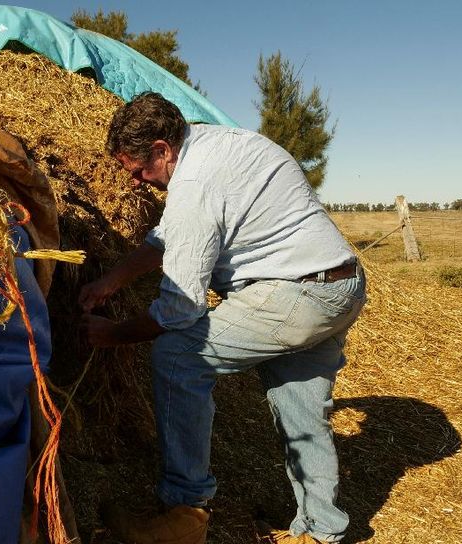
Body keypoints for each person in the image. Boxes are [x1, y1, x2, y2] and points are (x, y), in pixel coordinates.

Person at [79, 92, 365, 544]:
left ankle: (184, 512)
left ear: (161, 150)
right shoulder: (212, 145)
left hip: (294, 293)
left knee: (177, 356)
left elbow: (181, 307)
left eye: (139, 170)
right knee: (300, 404)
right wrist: (114, 280)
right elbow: (165, 237)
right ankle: (324, 527)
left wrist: (115, 334)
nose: (134, 183)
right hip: (338, 283)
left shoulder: (195, 184)